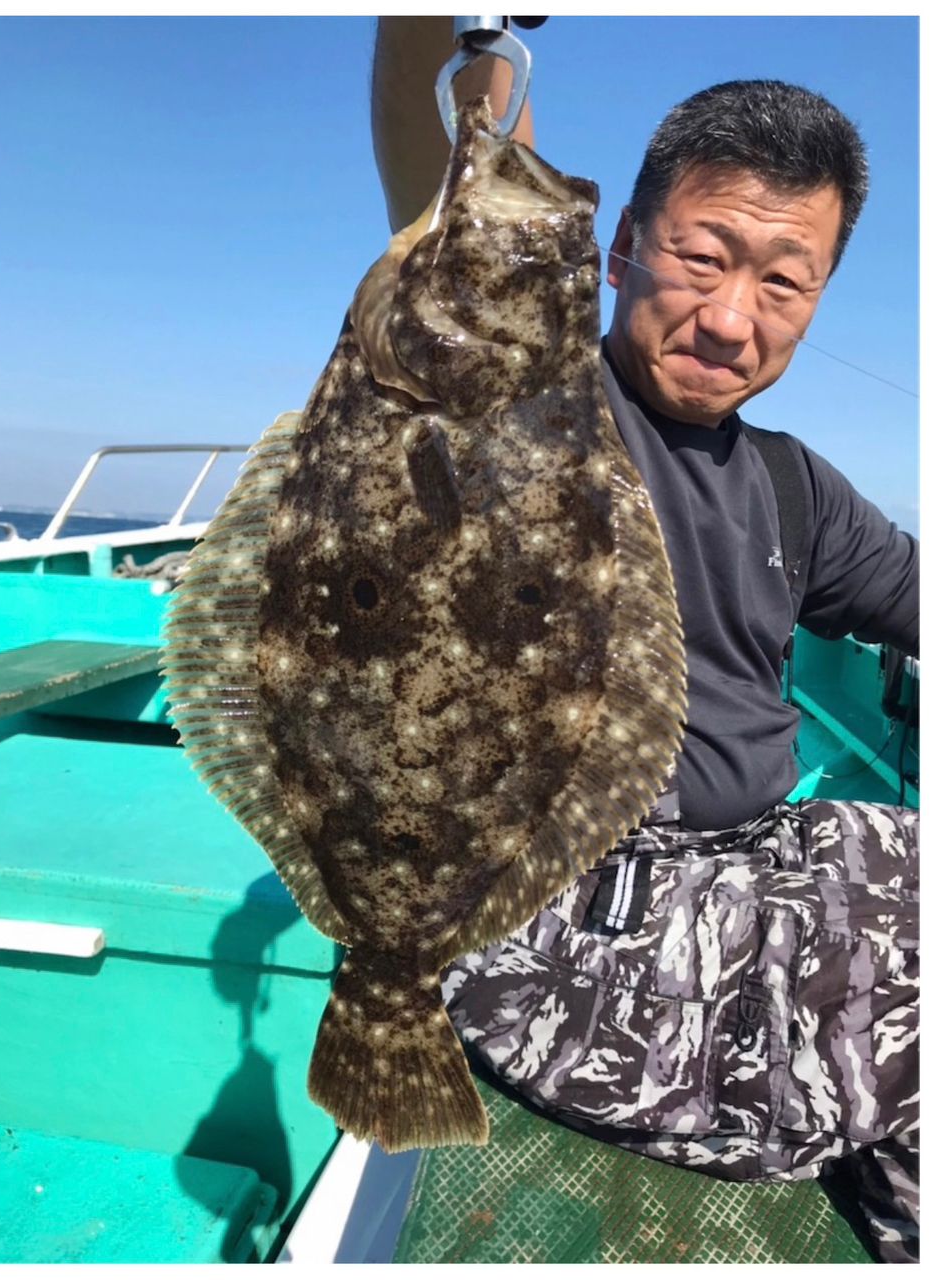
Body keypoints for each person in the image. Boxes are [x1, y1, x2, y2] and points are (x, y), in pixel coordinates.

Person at [371, 17, 919, 1264]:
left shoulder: (794, 489)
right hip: (565, 922)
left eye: (781, 281)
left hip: (753, 871)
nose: (733, 318)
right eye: (701, 256)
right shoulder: (521, 386)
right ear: (617, 249)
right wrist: (468, 33)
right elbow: (452, 175)